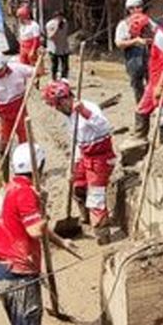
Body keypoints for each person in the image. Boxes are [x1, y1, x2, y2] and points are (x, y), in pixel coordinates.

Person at [0, 145, 48, 325]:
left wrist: (61, 241)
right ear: (38, 167)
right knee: (28, 321)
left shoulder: (5, 189)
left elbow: (21, 223)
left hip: (1, 268)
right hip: (19, 271)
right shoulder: (25, 193)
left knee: (17, 320)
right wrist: (45, 212)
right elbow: (35, 230)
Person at [42, 79, 117, 238]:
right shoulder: (69, 115)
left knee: (96, 197)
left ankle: (102, 232)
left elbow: (104, 126)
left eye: (57, 105)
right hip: (84, 155)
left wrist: (84, 112)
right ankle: (86, 218)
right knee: (78, 186)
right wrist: (74, 165)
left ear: (65, 99)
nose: (57, 109)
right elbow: (77, 141)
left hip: (100, 157)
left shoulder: (88, 108)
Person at [0, 49, 37, 155]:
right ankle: (3, 163)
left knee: (25, 138)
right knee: (3, 141)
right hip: (3, 114)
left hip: (20, 110)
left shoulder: (17, 69)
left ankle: (28, 162)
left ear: (5, 65)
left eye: (0, 70)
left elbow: (37, 72)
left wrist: (40, 59)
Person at [132, 15, 163, 145]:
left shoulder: (160, 37)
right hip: (154, 80)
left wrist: (160, 85)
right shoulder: (156, 36)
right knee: (141, 109)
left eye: (142, 34)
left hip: (162, 82)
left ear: (146, 29)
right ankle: (140, 139)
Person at [115, 0, 153, 103]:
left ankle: (151, 106)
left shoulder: (149, 22)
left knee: (152, 83)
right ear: (128, 10)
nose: (136, 10)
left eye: (138, 7)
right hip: (133, 58)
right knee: (137, 85)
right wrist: (135, 41)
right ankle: (141, 107)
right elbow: (118, 43)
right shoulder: (123, 25)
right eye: (132, 8)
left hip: (149, 56)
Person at [44, 11, 71, 81]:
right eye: (59, 18)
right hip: (53, 48)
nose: (60, 19)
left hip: (64, 47)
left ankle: (64, 79)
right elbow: (50, 36)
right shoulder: (49, 24)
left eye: (61, 17)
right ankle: (54, 79)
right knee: (54, 65)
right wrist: (56, 28)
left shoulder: (65, 23)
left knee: (65, 65)